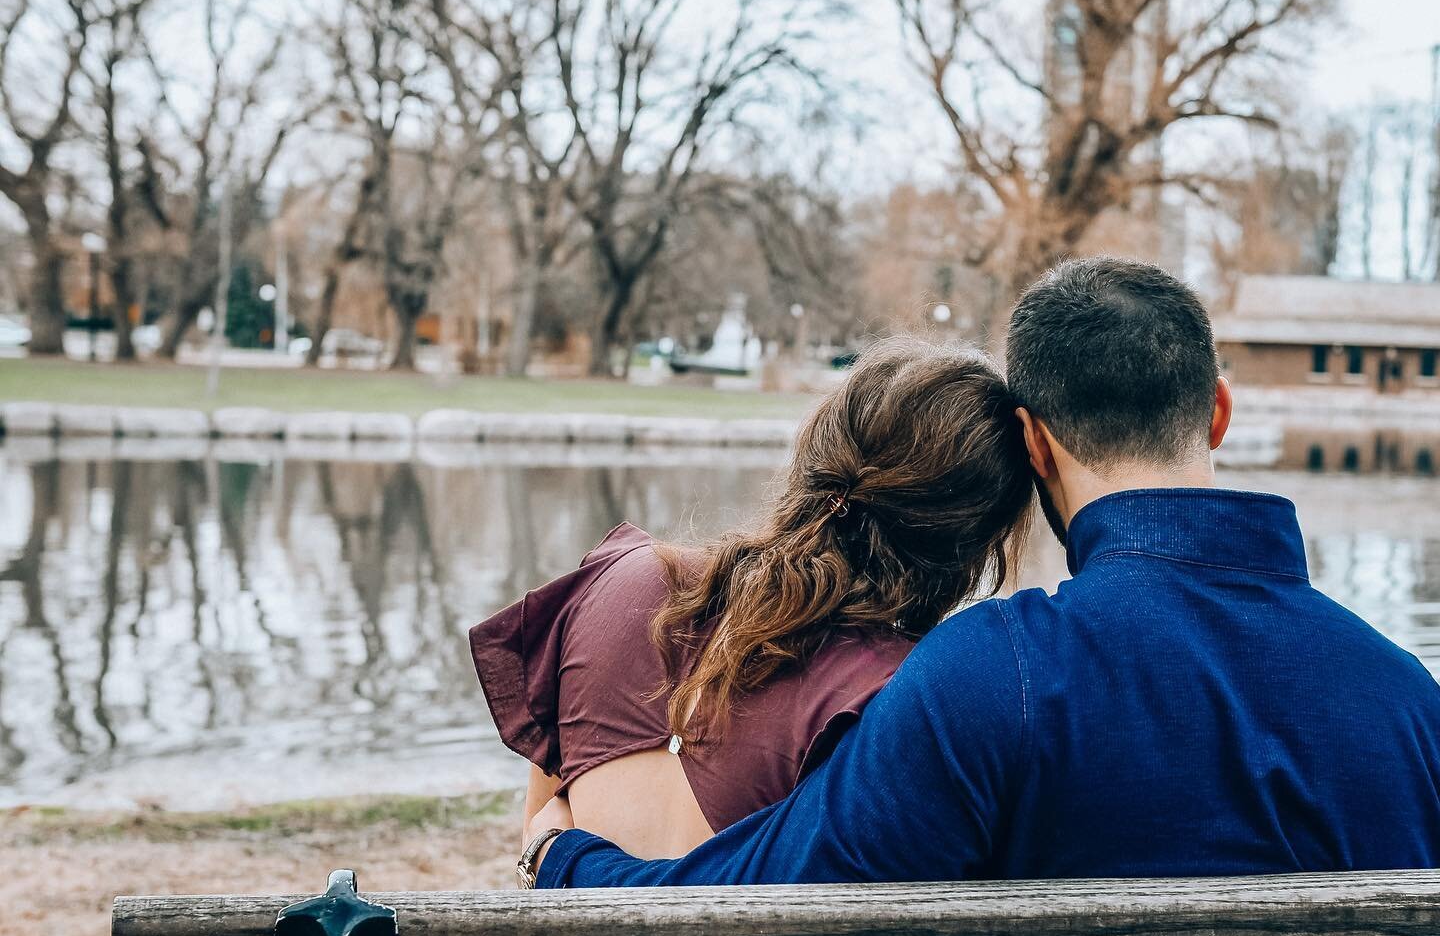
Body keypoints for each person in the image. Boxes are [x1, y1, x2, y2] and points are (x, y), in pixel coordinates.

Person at [522, 256, 1440, 890]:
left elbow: (758, 906)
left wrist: (559, 859)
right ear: (1218, 415)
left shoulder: (994, 675)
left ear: (1033, 442)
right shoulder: (1409, 705)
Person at [478, 337, 1032, 869]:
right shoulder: (902, 699)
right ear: (972, 546)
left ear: (815, 455)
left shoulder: (618, 579)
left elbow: (539, 834)